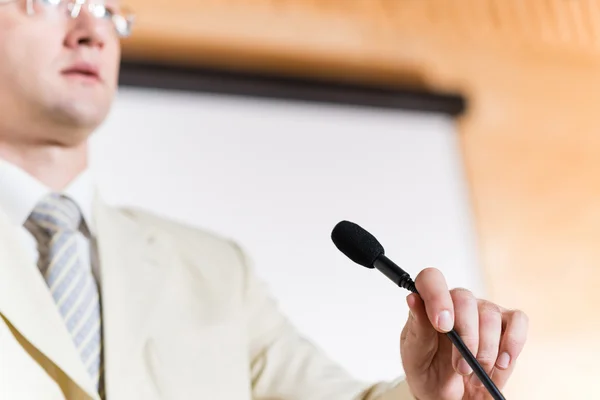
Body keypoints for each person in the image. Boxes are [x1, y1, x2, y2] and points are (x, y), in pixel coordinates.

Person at [0, 0, 529, 399]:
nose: (92, 30)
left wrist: (424, 394)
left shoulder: (217, 272)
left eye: (108, 11)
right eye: (49, 1)